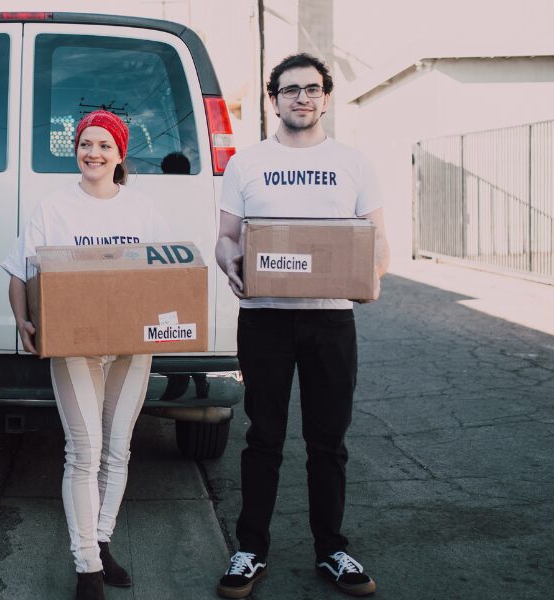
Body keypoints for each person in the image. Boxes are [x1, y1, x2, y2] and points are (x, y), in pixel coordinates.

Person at [213, 53, 389, 599]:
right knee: (263, 437)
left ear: (326, 97)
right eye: (290, 90)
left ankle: (332, 549)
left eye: (312, 89)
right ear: (274, 99)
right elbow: (225, 237)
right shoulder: (247, 163)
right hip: (264, 320)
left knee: (327, 441)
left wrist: (374, 277)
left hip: (331, 319)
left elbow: (376, 239)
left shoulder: (354, 163)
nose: (302, 98)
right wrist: (230, 265)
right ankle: (250, 550)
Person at [1, 110, 174, 600]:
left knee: (118, 449)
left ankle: (99, 544)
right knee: (85, 452)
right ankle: (87, 570)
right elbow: (19, 274)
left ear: (120, 154)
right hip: (74, 347)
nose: (93, 152)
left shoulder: (142, 210)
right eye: (85, 143)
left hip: (130, 349)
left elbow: (170, 273)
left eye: (103, 145)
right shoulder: (54, 207)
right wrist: (23, 321)